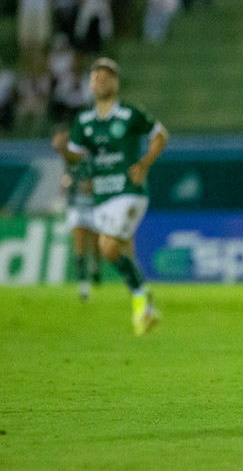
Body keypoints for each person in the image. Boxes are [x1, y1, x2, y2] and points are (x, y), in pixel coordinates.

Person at [52, 57, 168, 336]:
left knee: (107, 245)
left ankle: (141, 298)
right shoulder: (84, 121)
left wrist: (144, 163)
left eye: (106, 77)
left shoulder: (129, 114)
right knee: (115, 250)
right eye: (96, 78)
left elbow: (160, 134)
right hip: (103, 196)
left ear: (116, 83)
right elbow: (76, 159)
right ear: (90, 85)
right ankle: (143, 302)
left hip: (130, 192)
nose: (101, 81)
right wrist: (62, 151)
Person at [52, 127, 102, 301]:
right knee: (79, 244)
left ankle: (96, 267)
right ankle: (83, 286)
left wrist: (93, 185)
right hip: (76, 206)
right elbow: (66, 169)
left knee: (96, 244)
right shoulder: (69, 157)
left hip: (94, 206)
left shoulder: (92, 156)